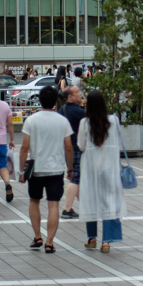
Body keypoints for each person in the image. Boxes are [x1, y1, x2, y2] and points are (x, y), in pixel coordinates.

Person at [18, 86, 73, 253]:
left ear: (39, 100)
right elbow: (69, 147)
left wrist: (21, 171)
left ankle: (37, 236)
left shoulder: (31, 120)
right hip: (56, 169)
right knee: (54, 205)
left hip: (36, 169)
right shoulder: (62, 121)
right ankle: (50, 241)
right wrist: (70, 168)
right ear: (55, 101)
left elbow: (24, 147)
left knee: (34, 201)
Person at [77, 91, 127, 253]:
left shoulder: (85, 123)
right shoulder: (113, 120)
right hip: (109, 167)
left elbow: (81, 146)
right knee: (109, 200)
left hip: (91, 168)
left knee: (90, 200)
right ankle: (106, 242)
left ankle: (91, 238)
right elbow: (118, 142)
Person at [59, 85, 86, 219]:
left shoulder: (61, 110)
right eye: (77, 92)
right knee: (75, 178)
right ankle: (67, 209)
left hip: (66, 147)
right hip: (77, 147)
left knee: (78, 177)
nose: (80, 94)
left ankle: (85, 206)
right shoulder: (80, 112)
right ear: (70, 97)